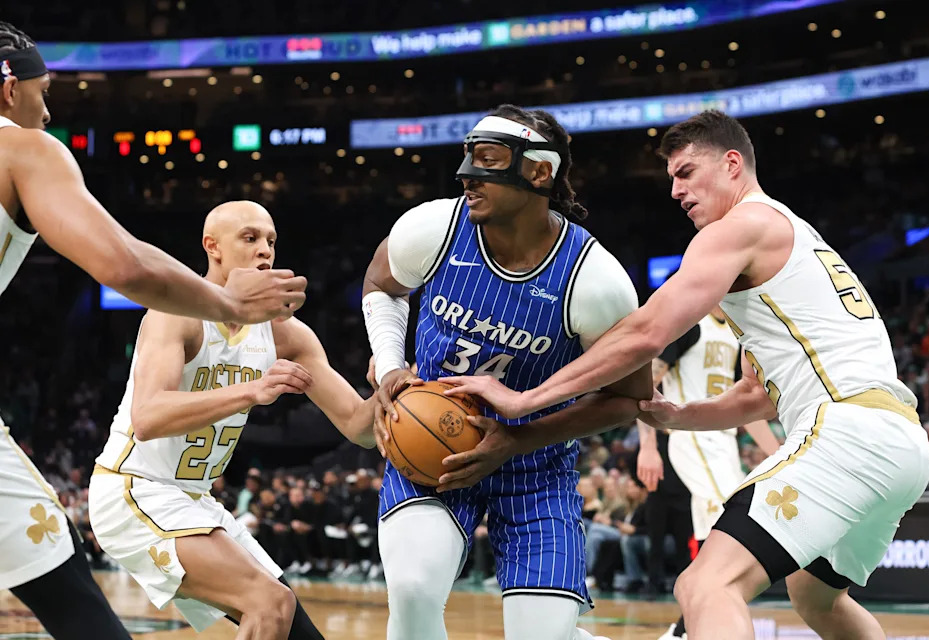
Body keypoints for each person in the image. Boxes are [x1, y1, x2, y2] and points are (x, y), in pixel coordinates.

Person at [445, 110, 929, 640]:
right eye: (671, 177)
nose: (675, 190)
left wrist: (526, 399)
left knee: (705, 586)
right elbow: (757, 397)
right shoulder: (795, 237)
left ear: (731, 164)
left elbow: (648, 331)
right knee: (817, 597)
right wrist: (679, 415)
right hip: (901, 444)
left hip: (848, 430)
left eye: (686, 173)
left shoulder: (741, 226)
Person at [0, 22, 305, 640]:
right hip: (143, 491)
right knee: (64, 582)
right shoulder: (22, 147)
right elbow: (127, 264)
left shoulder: (295, 336)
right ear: (9, 90)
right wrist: (229, 303)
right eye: (43, 89)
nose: (47, 107)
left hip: (192, 500)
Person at [362, 104, 650, 640]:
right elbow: (382, 285)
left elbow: (629, 396)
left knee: (543, 635)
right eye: (468, 158)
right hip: (435, 449)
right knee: (413, 591)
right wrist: (392, 367)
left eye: (487, 160)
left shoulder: (596, 282)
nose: (467, 174)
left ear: (539, 172)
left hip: (537, 468)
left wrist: (517, 440)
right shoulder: (432, 228)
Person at [87, 201, 376, 640]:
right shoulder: (175, 314)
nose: (265, 250)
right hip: (133, 487)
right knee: (269, 602)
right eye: (250, 237)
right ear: (212, 247)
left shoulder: (286, 333)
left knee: (290, 624)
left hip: (194, 499)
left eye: (271, 241)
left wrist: (393, 384)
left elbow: (359, 426)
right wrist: (249, 391)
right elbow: (147, 417)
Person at [635, 309, 780, 639]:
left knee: (710, 536)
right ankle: (701, 619)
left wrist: (778, 452)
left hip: (723, 440)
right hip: (692, 435)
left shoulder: (735, 334)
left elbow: (745, 406)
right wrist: (648, 446)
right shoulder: (689, 325)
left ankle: (683, 628)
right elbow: (645, 384)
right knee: (734, 522)